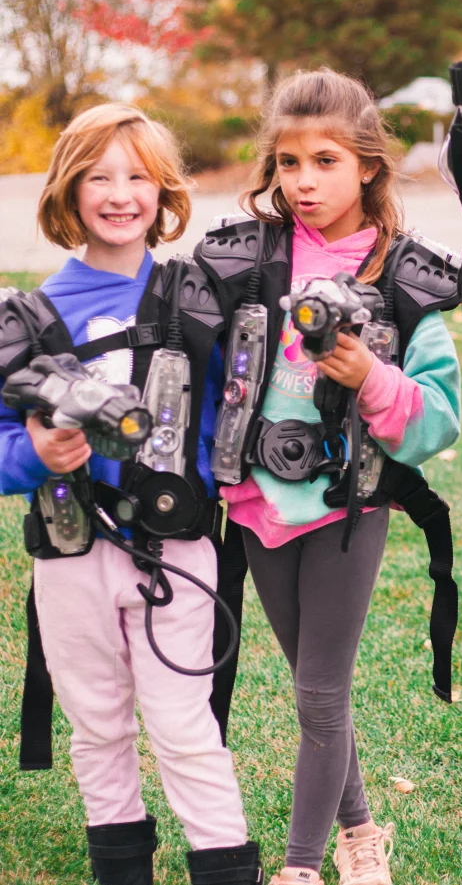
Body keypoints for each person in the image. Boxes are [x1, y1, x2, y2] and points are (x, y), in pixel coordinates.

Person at [194, 68, 461, 885]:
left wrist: (368, 374)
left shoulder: (402, 279)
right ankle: (363, 830)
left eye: (326, 161)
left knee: (317, 694)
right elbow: (197, 364)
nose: (303, 182)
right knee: (320, 695)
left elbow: (439, 419)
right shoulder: (244, 259)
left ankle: (301, 869)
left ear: (369, 166)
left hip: (349, 507)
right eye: (288, 163)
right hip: (257, 503)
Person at [0, 104, 262, 885]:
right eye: (98, 177)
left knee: (184, 725)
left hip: (175, 552)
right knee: (98, 728)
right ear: (67, 193)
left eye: (138, 176)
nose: (119, 194)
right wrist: (36, 453)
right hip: (71, 555)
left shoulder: (200, 298)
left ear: (164, 190)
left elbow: (234, 416)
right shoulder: (29, 318)